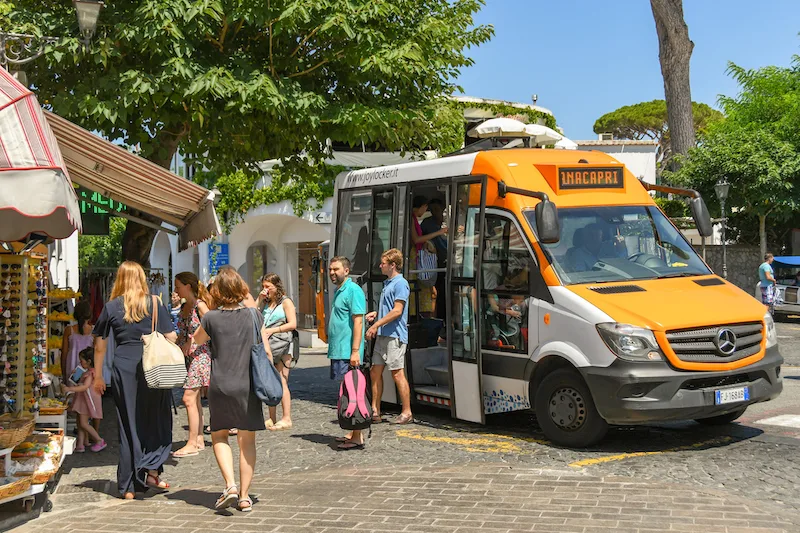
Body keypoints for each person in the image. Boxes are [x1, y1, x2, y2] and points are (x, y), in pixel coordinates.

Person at [92, 261, 177, 499]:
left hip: (123, 368)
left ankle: (127, 486)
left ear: (119, 279)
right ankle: (150, 471)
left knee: (127, 423)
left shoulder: (110, 307)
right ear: (141, 278)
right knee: (153, 419)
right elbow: (171, 336)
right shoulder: (155, 303)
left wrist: (99, 376)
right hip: (152, 367)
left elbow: (99, 346)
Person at [191, 266, 266, 512]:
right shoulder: (254, 315)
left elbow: (197, 340)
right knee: (247, 440)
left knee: (219, 435)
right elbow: (264, 348)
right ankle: (244, 497)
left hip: (221, 384)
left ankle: (230, 485)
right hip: (248, 384)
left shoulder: (211, 317)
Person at [366, 249, 413, 425]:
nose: (380, 266)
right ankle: (375, 410)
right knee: (375, 372)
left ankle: (407, 411)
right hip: (383, 334)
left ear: (392, 265)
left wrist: (377, 324)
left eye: (383, 263)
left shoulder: (401, 283)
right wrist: (376, 315)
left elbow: (397, 311)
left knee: (397, 373)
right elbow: (389, 309)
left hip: (395, 335)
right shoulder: (388, 283)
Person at [326, 256, 366, 450]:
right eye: (330, 269)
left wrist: (355, 351)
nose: (332, 273)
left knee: (352, 393)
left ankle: (357, 436)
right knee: (345, 393)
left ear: (347, 271)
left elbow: (358, 321)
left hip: (348, 351)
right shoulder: (339, 290)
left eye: (336, 269)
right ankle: (352, 431)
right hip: (339, 350)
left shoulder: (353, 290)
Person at [171, 272, 212, 458]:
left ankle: (192, 442)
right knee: (194, 400)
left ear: (188, 286)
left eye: (178, 285)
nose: (176, 289)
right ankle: (199, 439)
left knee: (188, 398)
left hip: (200, 356)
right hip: (188, 357)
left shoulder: (199, 305)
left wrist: (194, 341)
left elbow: (212, 325)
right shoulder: (185, 306)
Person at [256, 273, 297, 431]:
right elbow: (252, 312)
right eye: (263, 286)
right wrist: (259, 299)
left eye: (268, 287)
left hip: (283, 343)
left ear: (276, 286)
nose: (265, 290)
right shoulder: (266, 303)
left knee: (281, 380)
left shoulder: (285, 302)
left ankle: (286, 417)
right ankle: (271, 417)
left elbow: (292, 323)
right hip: (269, 344)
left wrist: (272, 329)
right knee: (269, 381)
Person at [409, 196, 447, 317]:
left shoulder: (414, 218)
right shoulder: (411, 218)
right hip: (415, 258)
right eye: (426, 208)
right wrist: (439, 232)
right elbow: (416, 239)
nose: (426, 212)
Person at [64, 347, 106, 453]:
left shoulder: (90, 373)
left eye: (81, 360)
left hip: (87, 400)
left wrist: (69, 389)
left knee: (83, 423)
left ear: (88, 361)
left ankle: (99, 440)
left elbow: (84, 387)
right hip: (83, 400)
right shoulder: (89, 372)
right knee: (80, 422)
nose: (80, 362)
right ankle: (81, 444)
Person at [420, 198, 448, 320]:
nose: (435, 212)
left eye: (437, 209)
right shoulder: (427, 223)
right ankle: (437, 320)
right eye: (432, 210)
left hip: (450, 262)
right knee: (436, 293)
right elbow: (419, 240)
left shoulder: (449, 221)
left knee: (446, 294)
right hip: (434, 264)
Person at [61, 300, 94, 383]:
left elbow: (64, 355)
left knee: (71, 394)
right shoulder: (94, 332)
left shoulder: (69, 330)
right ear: (89, 315)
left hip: (71, 370)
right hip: (88, 371)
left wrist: (64, 375)